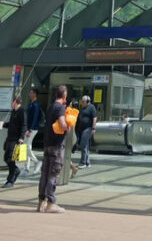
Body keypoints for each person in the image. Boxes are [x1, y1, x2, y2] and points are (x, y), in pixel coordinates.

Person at [37, 85, 70, 213]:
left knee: (44, 173)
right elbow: (62, 124)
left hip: (47, 144)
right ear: (65, 96)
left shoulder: (51, 107)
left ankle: (41, 202)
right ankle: (51, 203)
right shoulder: (61, 108)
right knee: (53, 174)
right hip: (57, 145)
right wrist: (68, 127)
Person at [2, 95, 25, 188]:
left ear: (15, 102)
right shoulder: (13, 112)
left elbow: (24, 125)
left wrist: (21, 137)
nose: (12, 103)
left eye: (12, 102)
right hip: (10, 137)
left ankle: (11, 179)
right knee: (6, 157)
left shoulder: (21, 111)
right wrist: (4, 124)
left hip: (16, 139)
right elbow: (11, 124)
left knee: (11, 158)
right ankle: (16, 170)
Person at [24, 88, 42, 175]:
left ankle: (36, 162)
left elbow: (35, 117)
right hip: (29, 128)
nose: (29, 94)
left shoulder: (36, 105)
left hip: (33, 129)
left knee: (26, 146)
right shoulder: (31, 104)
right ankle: (26, 168)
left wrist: (30, 129)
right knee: (26, 147)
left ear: (35, 94)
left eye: (31, 93)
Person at [78, 95, 97, 168]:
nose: (82, 103)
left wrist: (93, 128)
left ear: (88, 101)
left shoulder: (91, 107)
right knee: (86, 146)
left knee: (83, 145)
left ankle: (83, 162)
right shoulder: (83, 108)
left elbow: (94, 118)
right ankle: (87, 162)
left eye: (83, 101)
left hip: (88, 128)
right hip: (82, 129)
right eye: (81, 101)